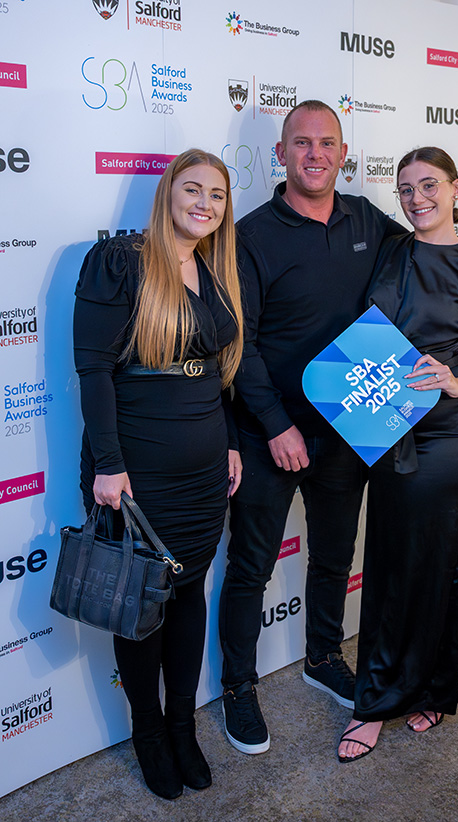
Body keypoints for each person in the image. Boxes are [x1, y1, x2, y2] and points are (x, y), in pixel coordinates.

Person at [218, 100, 458, 756]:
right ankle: (238, 686)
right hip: (270, 432)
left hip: (350, 424)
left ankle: (323, 656)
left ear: (343, 155)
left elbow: (434, 244)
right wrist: (275, 426)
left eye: (326, 143)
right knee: (250, 566)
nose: (314, 154)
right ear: (280, 154)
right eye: (301, 143)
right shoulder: (250, 235)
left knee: (333, 556)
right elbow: (241, 344)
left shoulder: (367, 219)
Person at [337, 147, 458, 763]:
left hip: (454, 437)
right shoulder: (390, 246)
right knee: (391, 563)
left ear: (455, 188)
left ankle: (435, 684)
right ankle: (381, 696)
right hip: (388, 422)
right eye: (406, 188)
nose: (417, 198)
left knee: (446, 563)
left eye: (429, 185)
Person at [73, 149, 243, 798]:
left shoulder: (214, 273)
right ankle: (148, 732)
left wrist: (231, 443)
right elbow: (94, 370)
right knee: (141, 602)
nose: (204, 203)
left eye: (217, 195)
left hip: (204, 473)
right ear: (168, 193)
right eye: (192, 189)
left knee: (189, 591)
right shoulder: (122, 261)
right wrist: (108, 465)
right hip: (139, 474)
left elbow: (217, 374)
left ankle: (182, 727)